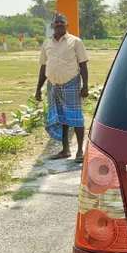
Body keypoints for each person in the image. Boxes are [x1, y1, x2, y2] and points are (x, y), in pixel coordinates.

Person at [35, 13, 89, 162]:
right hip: (53, 85)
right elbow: (44, 67)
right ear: (52, 26)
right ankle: (65, 150)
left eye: (61, 22)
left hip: (71, 83)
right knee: (61, 119)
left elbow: (83, 64)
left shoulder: (76, 42)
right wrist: (38, 88)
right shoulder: (47, 43)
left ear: (67, 25)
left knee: (76, 118)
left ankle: (79, 151)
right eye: (56, 22)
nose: (58, 24)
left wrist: (85, 86)